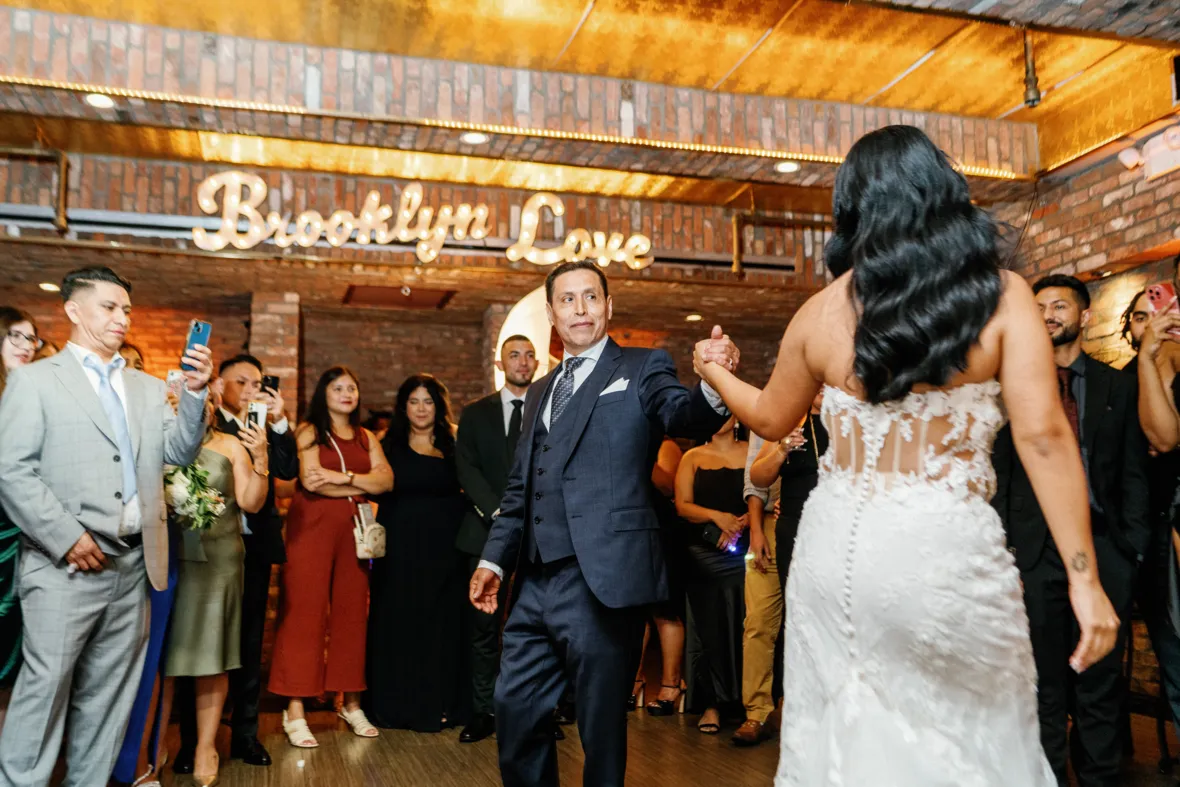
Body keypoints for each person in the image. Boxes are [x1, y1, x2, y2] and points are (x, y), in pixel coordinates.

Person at [694, 126, 1119, 785]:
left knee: (845, 733)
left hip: (837, 557)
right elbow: (1044, 438)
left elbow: (771, 418)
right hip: (942, 549)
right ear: (942, 191)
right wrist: (1085, 579)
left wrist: (714, 370)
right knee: (971, 736)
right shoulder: (1001, 295)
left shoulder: (820, 313)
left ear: (851, 210)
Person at [468, 259, 737, 787]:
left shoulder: (641, 367)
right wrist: (493, 558)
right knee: (515, 706)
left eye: (591, 297)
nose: (580, 309)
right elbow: (522, 489)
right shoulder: (541, 392)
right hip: (536, 583)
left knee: (600, 728)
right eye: (567, 300)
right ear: (551, 313)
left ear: (608, 306)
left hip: (604, 579)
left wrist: (713, 381)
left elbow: (684, 415)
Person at [0, 266, 211, 785]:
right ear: (74, 310)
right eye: (110, 307)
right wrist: (66, 536)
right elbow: (11, 470)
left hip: (134, 564)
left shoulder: (143, 385)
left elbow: (181, 451)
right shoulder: (35, 380)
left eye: (126, 310)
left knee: (109, 696)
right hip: (61, 568)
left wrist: (196, 394)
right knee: (44, 691)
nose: (122, 317)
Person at [992, 274, 1150, 786]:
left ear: (1084, 316)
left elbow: (1133, 474)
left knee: (1101, 687)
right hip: (1036, 557)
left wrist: (1131, 552)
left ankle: (1101, 778)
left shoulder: (1115, 386)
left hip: (1105, 551)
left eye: (1060, 306)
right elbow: (1001, 479)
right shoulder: (1008, 390)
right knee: (1042, 687)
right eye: (1038, 307)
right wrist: (1008, 554)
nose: (1048, 315)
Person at [172, 354, 299, 773]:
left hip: (245, 550)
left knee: (243, 646)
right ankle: (192, 742)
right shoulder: (193, 423)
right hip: (187, 551)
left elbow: (285, 472)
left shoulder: (257, 423)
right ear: (217, 385)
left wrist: (276, 427)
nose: (250, 389)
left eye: (256, 382)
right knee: (190, 647)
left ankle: (245, 734)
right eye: (241, 382)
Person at [268, 366, 393, 747]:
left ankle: (350, 702)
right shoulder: (309, 431)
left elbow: (385, 481)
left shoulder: (366, 436)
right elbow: (309, 480)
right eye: (337, 387)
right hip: (311, 530)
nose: (346, 393)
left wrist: (342, 478)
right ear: (324, 393)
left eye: (351, 387)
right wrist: (358, 481)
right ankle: (295, 710)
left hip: (355, 533)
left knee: (352, 612)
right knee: (303, 613)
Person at [162, 398, 269, 786]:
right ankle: (156, 743)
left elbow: (251, 502)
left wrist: (261, 459)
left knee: (213, 652)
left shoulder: (230, 445)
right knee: (164, 657)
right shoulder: (160, 442)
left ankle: (206, 744)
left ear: (215, 407)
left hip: (219, 560)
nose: (199, 407)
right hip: (168, 559)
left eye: (207, 401)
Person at [366, 374, 467, 731]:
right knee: (400, 622)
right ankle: (398, 706)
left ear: (439, 406)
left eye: (428, 401)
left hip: (447, 548)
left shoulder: (455, 438)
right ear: (403, 406)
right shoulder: (385, 443)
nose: (422, 408)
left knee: (443, 626)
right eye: (414, 401)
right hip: (400, 549)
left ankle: (444, 704)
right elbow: (371, 490)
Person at [454, 336, 539, 743]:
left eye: (528, 355)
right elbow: (466, 469)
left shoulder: (548, 410)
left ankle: (535, 713)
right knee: (484, 629)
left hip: (540, 539)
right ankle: (483, 710)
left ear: (537, 361)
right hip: (485, 534)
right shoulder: (476, 414)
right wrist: (499, 512)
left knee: (536, 629)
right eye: (513, 355)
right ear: (500, 362)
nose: (522, 362)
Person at [1121, 285, 1180, 743]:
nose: (1150, 323)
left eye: (1155, 312)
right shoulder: (1130, 378)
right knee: (1174, 647)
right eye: (1140, 317)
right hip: (1161, 522)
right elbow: (1162, 439)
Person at [675, 416, 750, 735]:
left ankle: (748, 701)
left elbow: (768, 493)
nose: (720, 418)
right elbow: (682, 506)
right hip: (704, 550)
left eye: (725, 410)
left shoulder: (753, 451)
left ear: (736, 416)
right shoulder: (692, 457)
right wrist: (718, 518)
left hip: (745, 546)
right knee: (709, 625)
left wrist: (741, 524)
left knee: (748, 622)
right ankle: (711, 703)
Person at [731, 430, 785, 747]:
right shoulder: (775, 406)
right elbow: (754, 480)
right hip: (767, 526)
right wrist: (756, 530)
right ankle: (757, 711)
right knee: (758, 623)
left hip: (818, 520)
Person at [0, 307, 39, 713]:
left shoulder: (35, 393)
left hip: (26, 532)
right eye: (16, 336)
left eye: (31, 339)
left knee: (16, 650)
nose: (26, 346)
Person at [750, 390, 828, 589]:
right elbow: (757, 478)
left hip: (834, 527)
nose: (822, 387)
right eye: (817, 380)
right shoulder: (791, 423)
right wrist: (781, 450)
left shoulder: (851, 424)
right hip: (793, 529)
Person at [638, 437, 688, 716]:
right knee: (635, 612)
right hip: (631, 531)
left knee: (664, 611)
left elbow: (667, 485)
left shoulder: (664, 445)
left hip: (660, 532)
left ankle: (671, 684)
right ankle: (635, 680)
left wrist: (639, 454)